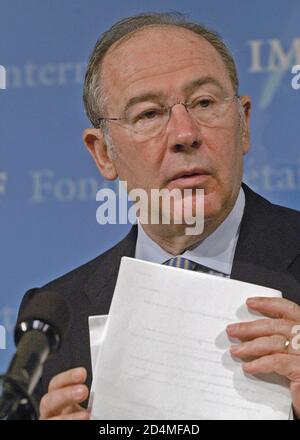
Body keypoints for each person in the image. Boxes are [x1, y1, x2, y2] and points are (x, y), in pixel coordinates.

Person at [18, 12, 300, 420]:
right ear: (103, 152)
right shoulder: (56, 315)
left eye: (204, 102)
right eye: (149, 114)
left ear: (244, 124)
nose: (185, 133)